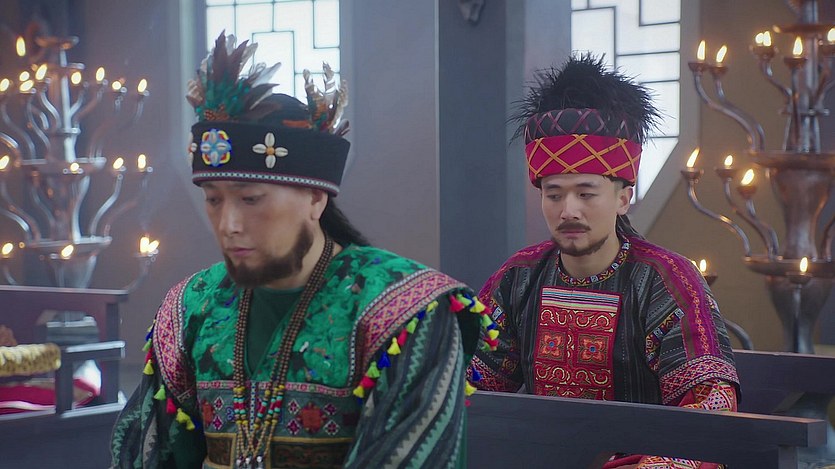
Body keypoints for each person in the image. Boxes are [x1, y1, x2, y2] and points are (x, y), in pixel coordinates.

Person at [111, 33, 492, 469]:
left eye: (250, 199)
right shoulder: (190, 309)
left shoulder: (404, 313)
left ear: (315, 198)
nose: (228, 224)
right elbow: (146, 455)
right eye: (213, 199)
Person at [469, 54, 739, 469]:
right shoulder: (518, 277)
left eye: (586, 193)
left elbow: (710, 405)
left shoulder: (666, 281)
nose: (568, 210)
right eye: (554, 194)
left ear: (623, 197)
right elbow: (473, 387)